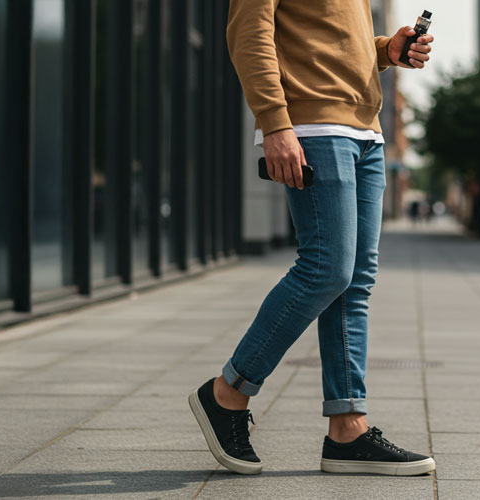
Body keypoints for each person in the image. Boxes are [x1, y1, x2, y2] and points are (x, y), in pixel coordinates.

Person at [188, 0, 435, 476]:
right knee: (325, 269)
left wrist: (385, 50)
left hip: (365, 130)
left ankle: (348, 429)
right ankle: (228, 391)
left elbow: (333, 38)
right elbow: (250, 34)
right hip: (314, 127)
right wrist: (275, 122)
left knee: (354, 282)